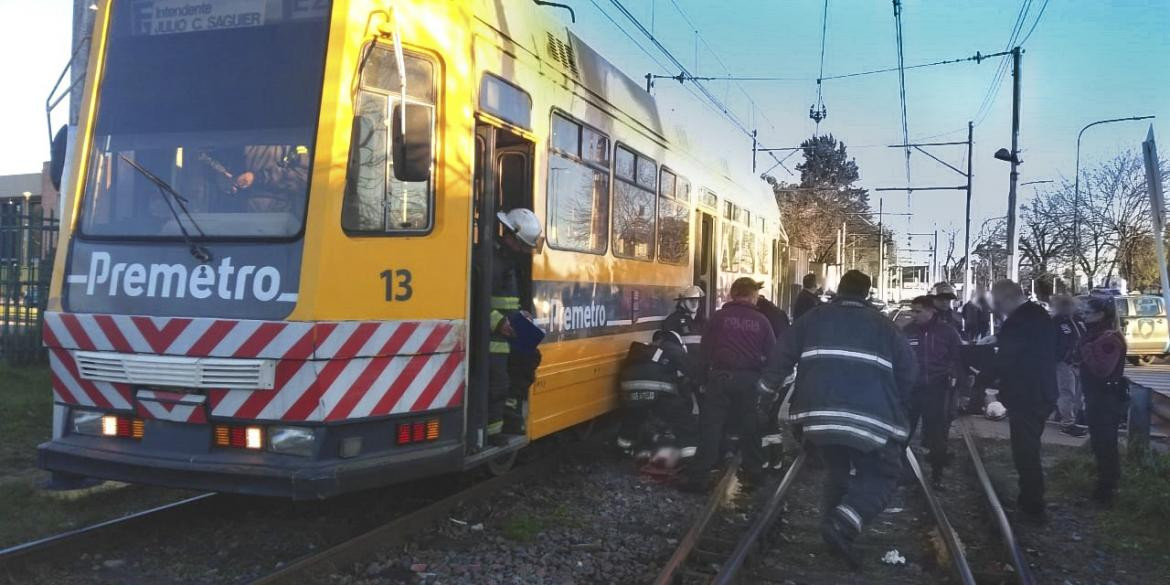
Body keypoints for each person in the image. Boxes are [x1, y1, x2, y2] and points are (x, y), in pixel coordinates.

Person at [758, 270, 916, 567]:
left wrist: (764, 392)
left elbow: (781, 354)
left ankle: (833, 528)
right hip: (869, 417)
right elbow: (909, 374)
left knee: (837, 468)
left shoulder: (813, 319)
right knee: (883, 473)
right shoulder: (885, 327)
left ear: (839, 290)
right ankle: (842, 524)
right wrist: (898, 404)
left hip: (816, 416)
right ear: (867, 293)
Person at [974, 279, 1058, 520]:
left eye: (999, 304)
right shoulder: (1039, 315)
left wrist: (983, 377)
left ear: (1009, 298)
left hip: (1027, 395)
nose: (998, 309)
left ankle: (1033, 504)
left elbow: (1008, 357)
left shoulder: (1019, 321)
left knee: (1025, 451)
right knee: (1029, 448)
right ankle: (1030, 499)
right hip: (1043, 391)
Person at [682, 277, 776, 490]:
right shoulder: (762, 321)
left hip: (720, 378)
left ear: (732, 294)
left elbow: (705, 352)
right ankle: (755, 473)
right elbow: (772, 356)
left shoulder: (718, 318)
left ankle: (699, 477)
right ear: (753, 296)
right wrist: (769, 386)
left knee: (711, 427)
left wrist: (701, 380)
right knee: (749, 427)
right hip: (749, 381)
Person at [487, 208, 543, 442]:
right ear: (511, 236)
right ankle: (491, 433)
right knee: (497, 380)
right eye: (522, 245)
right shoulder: (490, 260)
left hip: (508, 328)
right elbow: (474, 300)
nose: (523, 251)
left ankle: (509, 409)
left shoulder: (506, 261)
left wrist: (523, 315)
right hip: (491, 334)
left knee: (530, 357)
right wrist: (498, 322)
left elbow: (508, 298)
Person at [903, 295, 964, 486]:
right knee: (904, 432)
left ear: (931, 311)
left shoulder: (947, 332)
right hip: (912, 390)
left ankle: (937, 476)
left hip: (938, 389)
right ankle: (902, 472)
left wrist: (963, 389)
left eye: (918, 311)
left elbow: (959, 360)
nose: (914, 315)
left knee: (937, 434)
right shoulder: (907, 332)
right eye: (912, 311)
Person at [615, 330, 699, 461]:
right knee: (683, 421)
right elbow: (692, 371)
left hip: (629, 390)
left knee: (633, 420)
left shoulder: (643, 351)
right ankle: (689, 456)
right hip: (657, 389)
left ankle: (623, 450)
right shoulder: (672, 347)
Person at [1078, 296, 1128, 506]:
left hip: (1106, 399)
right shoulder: (1096, 335)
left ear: (1101, 315)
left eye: (1088, 313)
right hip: (1098, 397)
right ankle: (1104, 489)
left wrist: (1086, 348)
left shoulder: (1108, 339)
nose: (1084, 316)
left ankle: (1107, 492)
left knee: (1106, 445)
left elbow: (1102, 370)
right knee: (1100, 444)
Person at [1052, 295, 1088, 437]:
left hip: (1079, 363)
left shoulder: (1078, 321)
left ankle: (1073, 417)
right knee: (1067, 392)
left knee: (1078, 394)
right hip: (1064, 362)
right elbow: (1053, 343)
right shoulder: (1056, 322)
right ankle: (1067, 422)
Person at [663, 285, 706, 354]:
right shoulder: (673, 320)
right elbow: (669, 347)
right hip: (684, 362)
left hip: (702, 362)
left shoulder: (702, 320)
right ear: (682, 300)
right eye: (691, 300)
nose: (695, 304)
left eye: (696, 300)